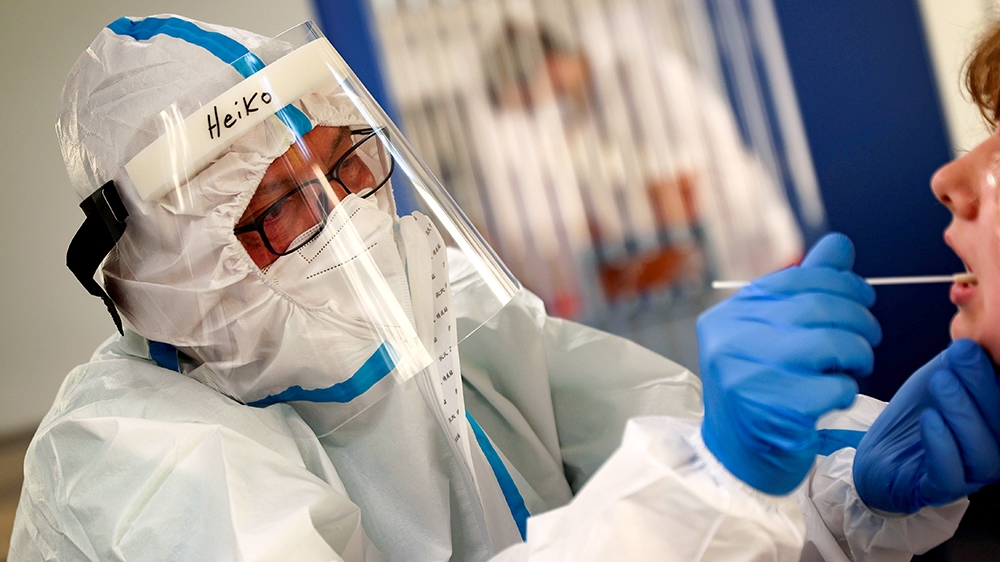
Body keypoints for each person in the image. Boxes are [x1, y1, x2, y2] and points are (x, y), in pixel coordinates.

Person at [6, 14, 991, 561]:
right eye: (282, 203)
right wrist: (719, 481)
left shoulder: (451, 321)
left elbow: (681, 454)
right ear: (172, 281)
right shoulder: (138, 469)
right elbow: (699, 494)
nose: (347, 215)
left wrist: (844, 489)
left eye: (346, 162)